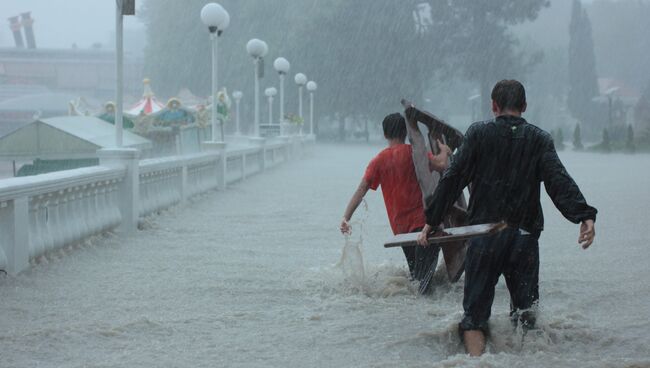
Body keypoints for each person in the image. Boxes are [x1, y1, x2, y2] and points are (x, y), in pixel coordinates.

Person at [417, 80, 597, 356]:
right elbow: (558, 182)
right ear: (524, 107)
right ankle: (527, 360)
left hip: (485, 235)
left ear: (493, 106)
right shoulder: (539, 139)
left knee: (474, 318)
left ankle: (476, 362)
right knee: (526, 317)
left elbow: (452, 179)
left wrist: (432, 221)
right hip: (523, 238)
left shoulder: (478, 134)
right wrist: (584, 215)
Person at [340, 113, 451, 290]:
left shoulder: (378, 161)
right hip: (425, 225)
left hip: (401, 230)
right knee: (424, 283)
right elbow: (441, 165)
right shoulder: (415, 153)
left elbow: (361, 190)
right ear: (406, 132)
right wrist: (444, 151)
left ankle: (413, 311)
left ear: (385, 134)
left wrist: (345, 217)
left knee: (417, 278)